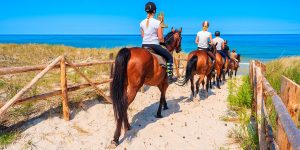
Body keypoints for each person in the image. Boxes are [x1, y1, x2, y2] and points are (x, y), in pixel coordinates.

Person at [140, 2, 177, 84]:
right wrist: (162, 42)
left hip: (144, 45)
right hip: (154, 45)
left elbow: (142, 36)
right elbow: (160, 37)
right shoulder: (157, 23)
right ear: (154, 11)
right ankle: (170, 77)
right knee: (170, 57)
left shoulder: (141, 23)